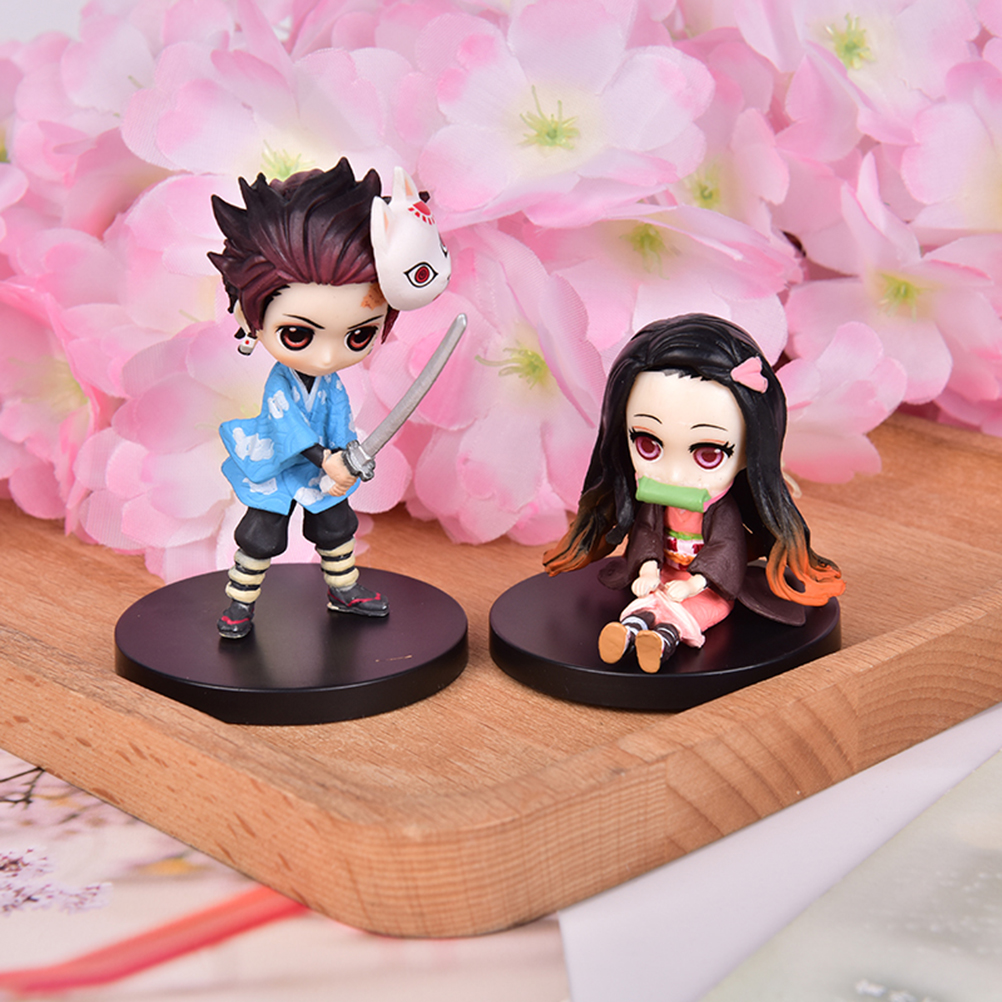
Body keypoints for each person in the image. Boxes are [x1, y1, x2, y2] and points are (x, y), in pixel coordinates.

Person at [208, 159, 449, 638]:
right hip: (280, 463)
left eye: (358, 336)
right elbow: (288, 430)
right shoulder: (281, 386)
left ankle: (344, 590)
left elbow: (338, 421)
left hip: (327, 467)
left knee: (336, 527)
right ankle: (239, 603)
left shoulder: (332, 385)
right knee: (260, 535)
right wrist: (328, 460)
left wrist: (350, 456)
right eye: (298, 334)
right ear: (246, 314)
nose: (326, 356)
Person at [542, 314, 844, 673]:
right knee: (646, 601)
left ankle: (665, 638)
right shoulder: (654, 504)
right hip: (663, 574)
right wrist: (648, 570)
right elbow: (646, 535)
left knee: (693, 610)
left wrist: (693, 585)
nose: (673, 476)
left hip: (705, 585)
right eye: (648, 445)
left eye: (708, 454)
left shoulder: (721, 512)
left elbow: (725, 551)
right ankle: (628, 632)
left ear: (748, 452)